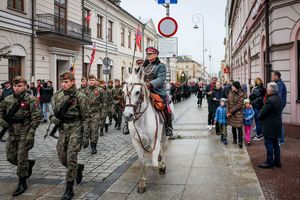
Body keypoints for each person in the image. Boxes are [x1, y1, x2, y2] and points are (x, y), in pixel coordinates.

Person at [50, 72, 90, 199]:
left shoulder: (80, 96)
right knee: (62, 157)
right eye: (62, 82)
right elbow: (52, 113)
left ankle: (69, 189)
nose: (64, 84)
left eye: (66, 82)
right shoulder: (57, 96)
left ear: (73, 82)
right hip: (63, 129)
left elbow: (86, 117)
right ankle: (78, 168)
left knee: (71, 157)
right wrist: (52, 118)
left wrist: (85, 136)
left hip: (76, 128)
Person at [0, 76, 42, 196]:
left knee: (21, 158)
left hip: (25, 131)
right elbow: (1, 111)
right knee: (10, 157)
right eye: (15, 86)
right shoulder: (7, 99)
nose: (17, 88)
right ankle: (28, 164)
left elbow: (37, 117)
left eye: (20, 86)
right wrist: (1, 121)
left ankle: (22, 182)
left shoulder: (31, 99)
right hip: (12, 132)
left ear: (25, 86)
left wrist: (32, 132)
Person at [142, 46, 173, 136]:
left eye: (150, 54)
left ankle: (168, 127)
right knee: (132, 102)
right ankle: (129, 125)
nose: (148, 55)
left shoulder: (161, 66)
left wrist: (150, 84)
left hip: (157, 90)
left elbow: (160, 79)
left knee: (165, 105)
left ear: (155, 55)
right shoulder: (144, 66)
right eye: (147, 54)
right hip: (143, 90)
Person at [258, 82, 282, 169]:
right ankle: (277, 161)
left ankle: (269, 162)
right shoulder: (278, 98)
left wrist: (259, 116)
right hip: (277, 125)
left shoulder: (270, 100)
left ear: (270, 90)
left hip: (269, 126)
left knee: (269, 144)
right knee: (275, 143)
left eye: (268, 88)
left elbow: (262, 113)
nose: (267, 90)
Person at [83, 74, 104, 154]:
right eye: (90, 80)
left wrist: (103, 114)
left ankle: (93, 146)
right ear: (88, 81)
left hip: (96, 113)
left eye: (93, 80)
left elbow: (104, 102)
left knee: (94, 130)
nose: (91, 81)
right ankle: (86, 141)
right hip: (86, 114)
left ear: (96, 81)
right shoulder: (84, 90)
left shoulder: (100, 90)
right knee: (86, 129)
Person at [227, 81, 245, 148]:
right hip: (231, 113)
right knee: (233, 127)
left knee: (239, 127)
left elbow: (239, 105)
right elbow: (228, 103)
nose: (231, 87)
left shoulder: (241, 94)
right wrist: (227, 111)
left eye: (233, 86)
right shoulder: (230, 93)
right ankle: (235, 139)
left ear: (236, 87)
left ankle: (240, 142)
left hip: (238, 113)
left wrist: (230, 111)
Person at [272, 71, 287, 145]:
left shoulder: (280, 84)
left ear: (277, 76)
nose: (272, 77)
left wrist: (277, 106)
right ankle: (279, 138)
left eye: (273, 76)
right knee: (277, 122)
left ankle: (281, 140)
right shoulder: (277, 83)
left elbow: (279, 96)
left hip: (279, 105)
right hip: (279, 105)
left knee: (279, 123)